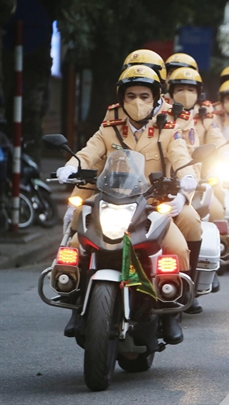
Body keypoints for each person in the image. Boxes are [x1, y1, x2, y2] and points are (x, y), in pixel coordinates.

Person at [56, 65, 201, 343]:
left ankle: (170, 311)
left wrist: (187, 179)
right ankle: (75, 304)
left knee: (179, 247)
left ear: (156, 97)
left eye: (145, 96)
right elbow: (89, 153)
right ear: (122, 98)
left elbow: (181, 158)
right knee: (75, 244)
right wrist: (70, 166)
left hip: (151, 204)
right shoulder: (109, 129)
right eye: (131, 95)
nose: (138, 102)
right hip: (112, 199)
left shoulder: (169, 130)